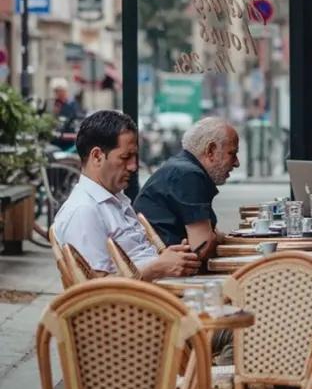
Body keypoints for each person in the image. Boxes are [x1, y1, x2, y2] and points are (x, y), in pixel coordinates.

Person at [52, 110, 201, 279]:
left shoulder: (114, 199)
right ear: (97, 156)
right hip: (144, 295)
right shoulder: (83, 211)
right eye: (125, 157)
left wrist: (170, 259)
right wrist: (157, 268)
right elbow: (95, 287)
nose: (133, 166)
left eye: (134, 156)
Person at [134, 116, 239, 260]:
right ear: (210, 150)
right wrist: (215, 237)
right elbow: (203, 248)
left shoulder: (183, 169)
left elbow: (209, 238)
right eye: (232, 154)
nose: (237, 163)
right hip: (167, 270)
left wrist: (215, 236)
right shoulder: (188, 174)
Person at [49, 78, 82, 150]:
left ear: (64, 91)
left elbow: (75, 121)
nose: (56, 93)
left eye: (58, 91)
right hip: (56, 140)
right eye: (55, 91)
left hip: (68, 141)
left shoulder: (72, 104)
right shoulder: (54, 104)